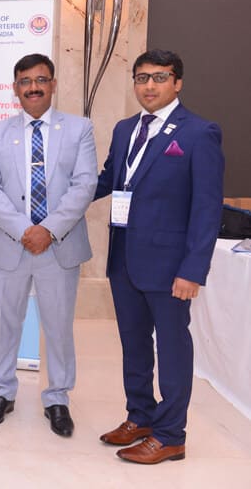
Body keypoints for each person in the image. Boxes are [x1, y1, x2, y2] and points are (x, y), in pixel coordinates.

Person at [94, 49, 224, 464]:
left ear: (177, 82)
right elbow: (108, 180)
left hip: (170, 268)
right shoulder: (124, 129)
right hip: (124, 260)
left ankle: (170, 435)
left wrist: (193, 269)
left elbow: (207, 209)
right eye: (141, 78)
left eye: (159, 77)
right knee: (133, 345)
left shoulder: (199, 133)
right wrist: (60, 198)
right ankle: (140, 417)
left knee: (171, 349)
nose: (149, 86)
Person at [0, 54, 97, 436]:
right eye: (25, 81)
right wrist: (25, 230)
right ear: (15, 88)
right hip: (10, 246)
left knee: (58, 326)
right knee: (5, 324)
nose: (33, 87)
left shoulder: (79, 129)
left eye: (41, 80)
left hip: (58, 247)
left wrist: (49, 229)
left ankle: (57, 398)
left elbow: (85, 184)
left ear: (53, 84)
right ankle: (3, 391)